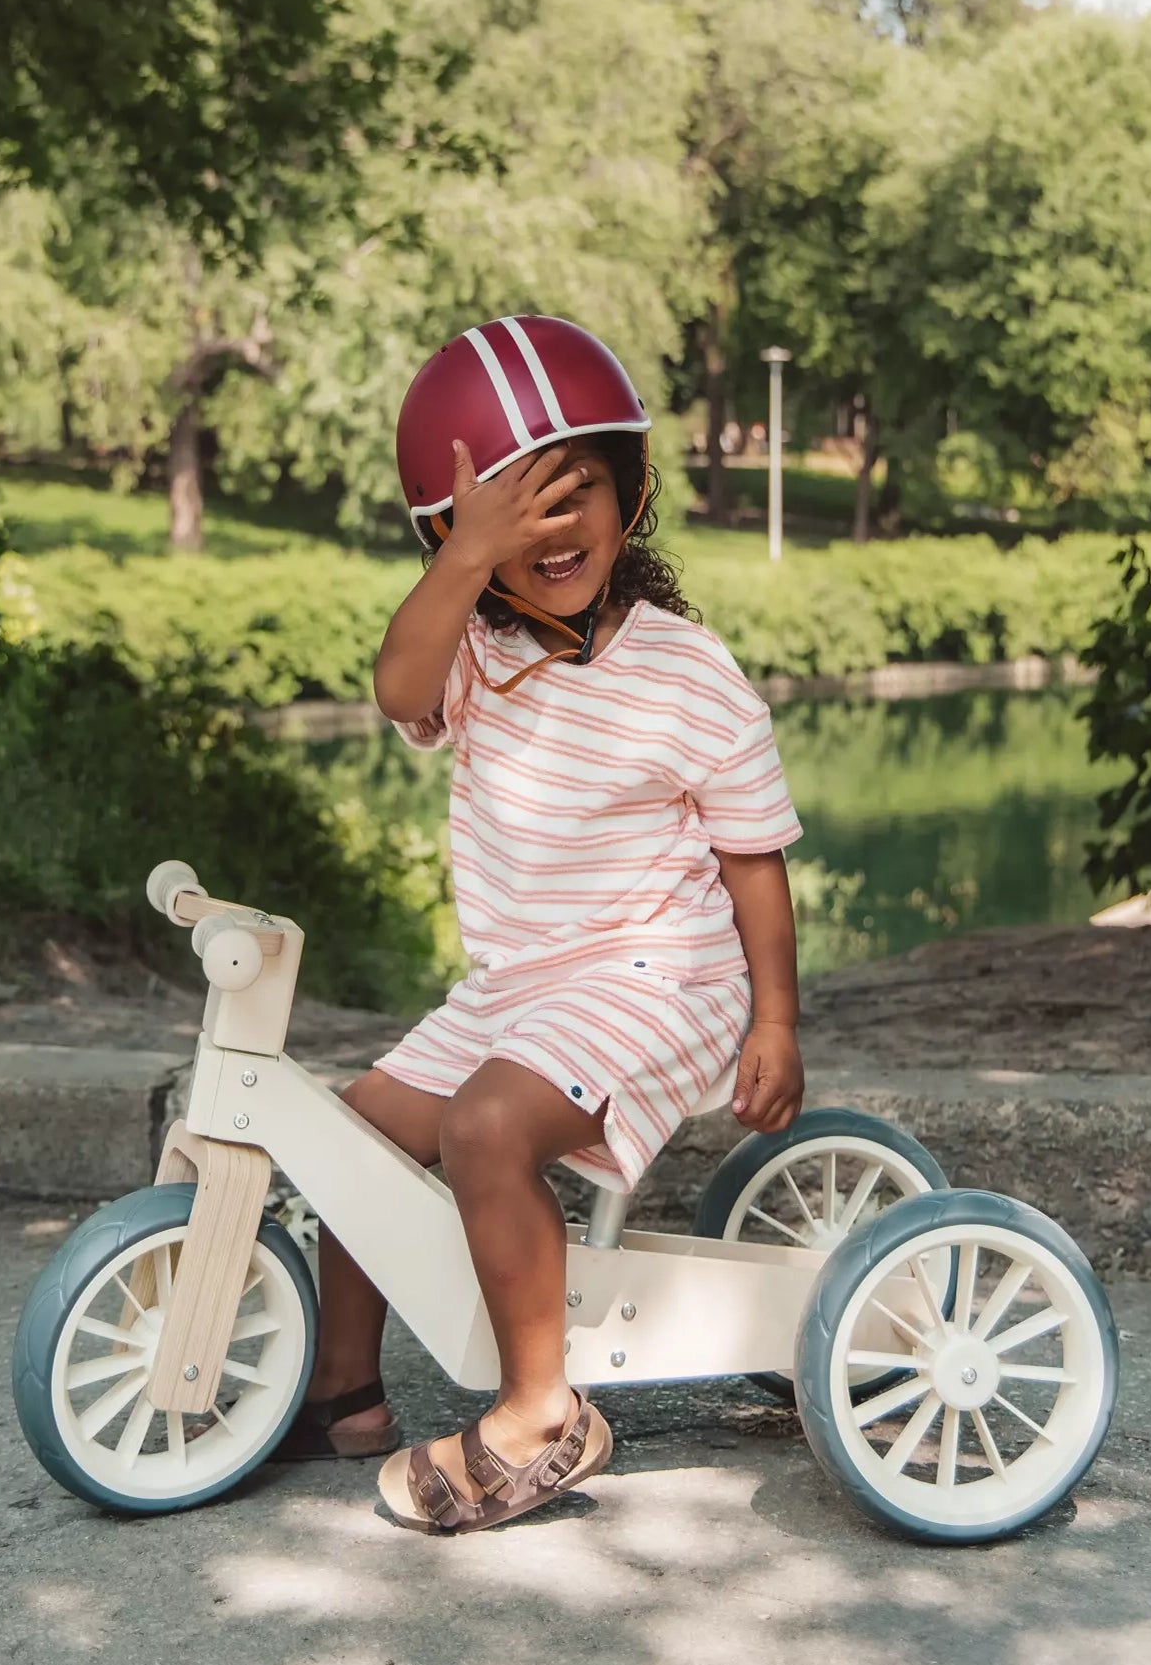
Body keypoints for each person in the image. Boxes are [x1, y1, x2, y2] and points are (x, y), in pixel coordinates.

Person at [278, 315, 803, 1532]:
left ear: (630, 493)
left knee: (484, 1124)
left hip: (659, 974)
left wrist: (774, 1016)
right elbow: (394, 687)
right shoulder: (472, 649)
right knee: (353, 1134)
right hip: (526, 985)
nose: (547, 533)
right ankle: (342, 1392)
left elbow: (753, 858)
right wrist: (466, 567)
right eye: (507, 519)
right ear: (451, 540)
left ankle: (539, 1414)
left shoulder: (688, 672)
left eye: (572, 497)